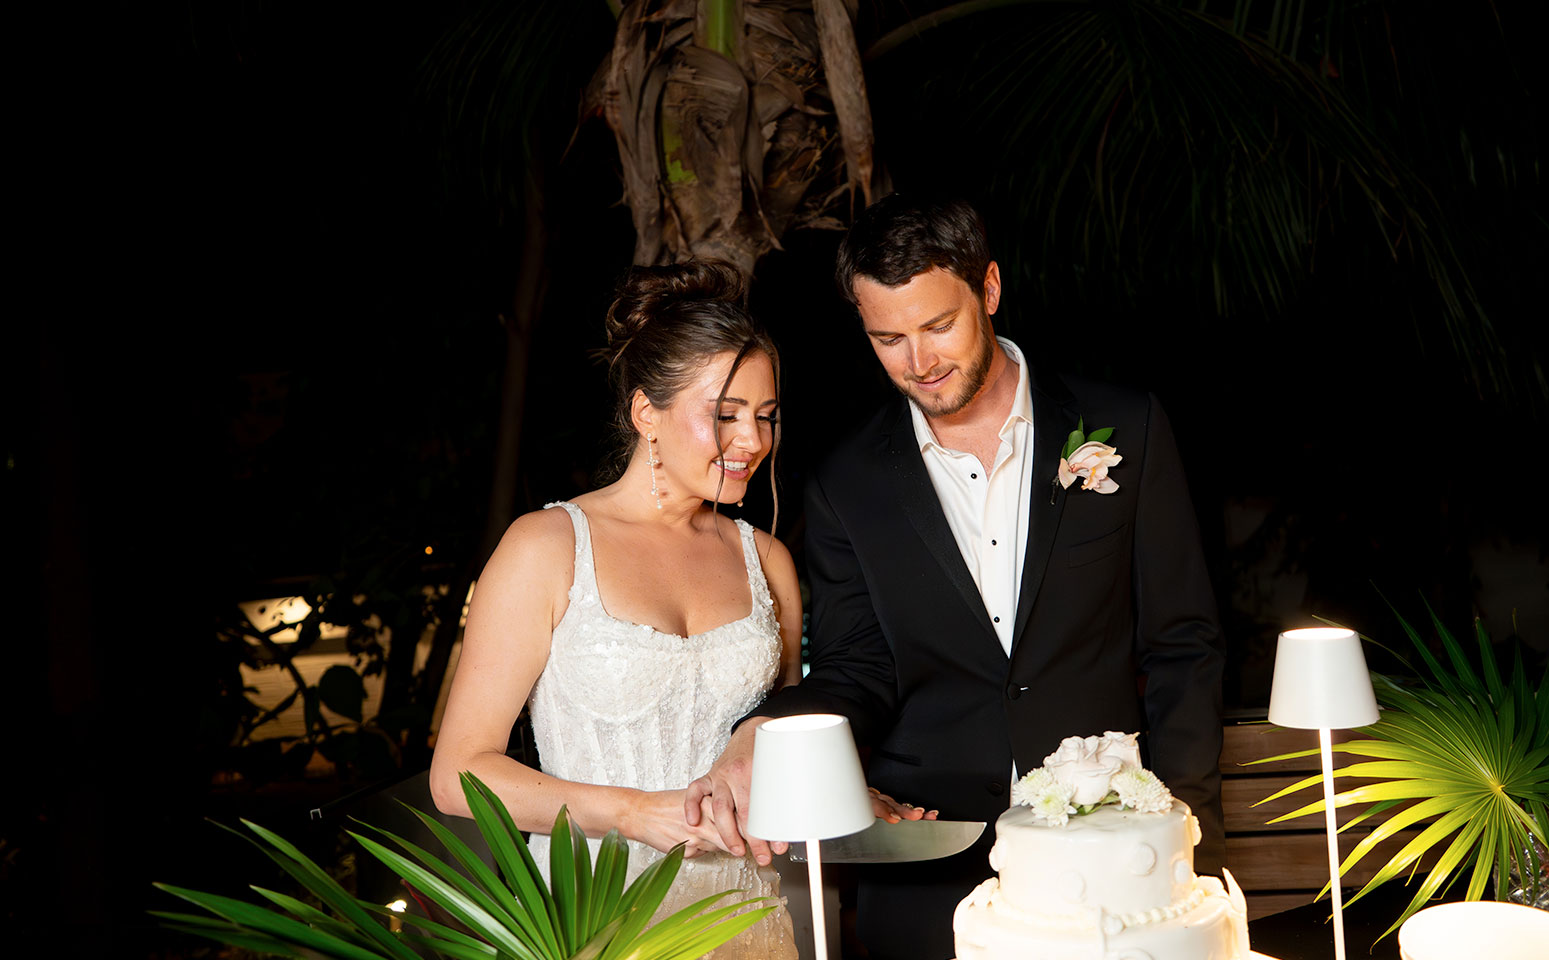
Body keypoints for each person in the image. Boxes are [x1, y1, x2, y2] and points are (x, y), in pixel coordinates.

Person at [685, 195, 1226, 960]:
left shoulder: (1126, 425)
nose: (920, 361)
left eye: (939, 325)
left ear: (990, 290)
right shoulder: (846, 481)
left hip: (1112, 843)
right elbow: (858, 666)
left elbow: (1183, 644)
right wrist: (762, 730)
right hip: (927, 860)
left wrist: (1182, 827)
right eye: (889, 338)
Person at [430, 260, 801, 960]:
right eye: (724, 415)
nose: (752, 441)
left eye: (765, 416)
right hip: (594, 920)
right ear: (645, 414)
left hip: (743, 919)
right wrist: (633, 813)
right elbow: (458, 775)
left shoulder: (767, 561)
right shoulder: (547, 548)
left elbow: (776, 744)